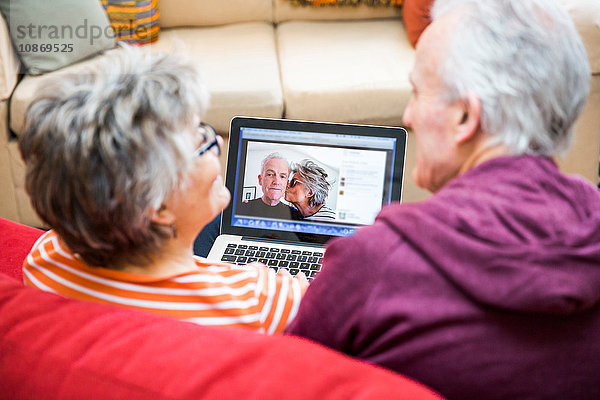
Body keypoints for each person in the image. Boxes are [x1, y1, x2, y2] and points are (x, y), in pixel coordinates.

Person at [286, 0, 600, 399]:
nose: (407, 115)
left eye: (418, 93)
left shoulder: (372, 264)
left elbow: (286, 381)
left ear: (465, 118)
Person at [19, 46, 307, 334]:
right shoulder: (265, 302)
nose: (218, 142)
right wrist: (266, 280)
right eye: (199, 141)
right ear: (157, 207)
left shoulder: (47, 258)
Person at [238, 153, 301, 220]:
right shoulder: (244, 209)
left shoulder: (295, 215)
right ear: (260, 180)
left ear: (287, 183)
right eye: (270, 174)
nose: (276, 182)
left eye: (282, 176)